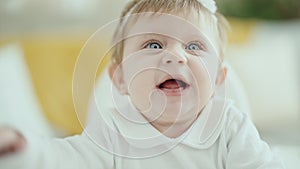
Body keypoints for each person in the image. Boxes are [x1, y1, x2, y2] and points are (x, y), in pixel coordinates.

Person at [0, 0, 285, 168]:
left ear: (218, 79)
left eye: (195, 46)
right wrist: (27, 148)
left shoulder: (228, 126)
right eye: (153, 44)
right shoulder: (113, 132)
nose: (174, 55)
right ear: (120, 79)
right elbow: (66, 159)